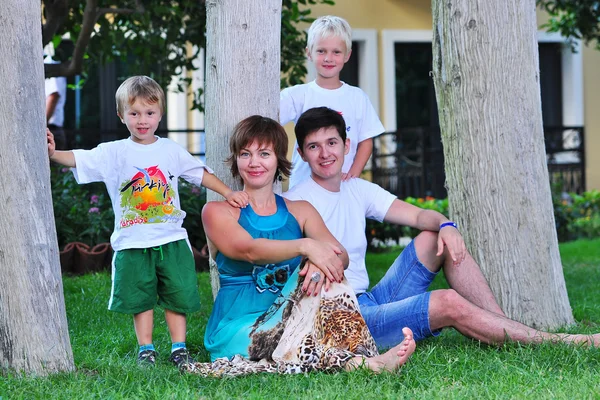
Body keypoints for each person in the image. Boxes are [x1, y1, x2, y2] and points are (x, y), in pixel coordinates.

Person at [284, 106, 600, 348]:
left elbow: (421, 217)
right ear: (301, 154)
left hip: (371, 299)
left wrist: (447, 224)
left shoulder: (357, 189)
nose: (325, 154)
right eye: (314, 147)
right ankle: (556, 341)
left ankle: (501, 327)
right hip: (344, 317)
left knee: (434, 236)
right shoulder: (295, 202)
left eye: (332, 142)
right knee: (445, 301)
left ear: (346, 144)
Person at [186, 115, 415, 377]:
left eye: (264, 153)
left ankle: (364, 358)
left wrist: (319, 266)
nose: (254, 162)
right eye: (245, 154)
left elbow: (339, 256)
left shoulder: (300, 210)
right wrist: (306, 247)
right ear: (236, 161)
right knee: (283, 338)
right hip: (239, 329)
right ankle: (362, 363)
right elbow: (248, 249)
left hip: (296, 317)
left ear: (279, 160)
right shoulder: (216, 211)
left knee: (330, 273)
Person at [47, 75, 249, 369]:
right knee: (140, 299)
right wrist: (53, 153)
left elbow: (199, 173)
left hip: (171, 241)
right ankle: (147, 349)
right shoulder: (114, 152)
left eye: (150, 113)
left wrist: (228, 192)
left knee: (176, 296)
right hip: (133, 242)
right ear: (121, 115)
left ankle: (179, 348)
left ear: (160, 114)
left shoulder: (170, 150)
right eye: (134, 113)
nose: (143, 120)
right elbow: (79, 159)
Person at [280, 15, 384, 189]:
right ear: (309, 53)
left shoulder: (357, 97)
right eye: (321, 51)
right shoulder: (296, 95)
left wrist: (353, 174)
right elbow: (267, 125)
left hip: (342, 187)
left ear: (347, 55)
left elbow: (366, 140)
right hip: (303, 189)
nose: (328, 58)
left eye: (336, 52)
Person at [45, 55, 68, 150]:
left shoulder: (50, 64)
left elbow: (53, 96)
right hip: (49, 128)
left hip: (50, 129)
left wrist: (40, 125)